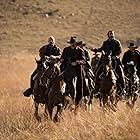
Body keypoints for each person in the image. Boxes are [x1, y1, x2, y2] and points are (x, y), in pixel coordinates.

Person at [92, 30, 126, 95]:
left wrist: (116, 56)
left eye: (112, 34)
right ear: (108, 35)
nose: (111, 35)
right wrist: (95, 50)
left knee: (121, 73)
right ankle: (97, 89)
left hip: (114, 61)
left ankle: (122, 89)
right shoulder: (105, 43)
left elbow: (120, 51)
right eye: (110, 34)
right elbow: (101, 49)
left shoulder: (117, 42)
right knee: (97, 73)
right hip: (105, 61)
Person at [60, 37, 88, 106]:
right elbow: (62, 57)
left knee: (81, 81)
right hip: (66, 68)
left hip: (76, 69)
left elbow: (84, 60)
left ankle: (78, 97)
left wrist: (77, 62)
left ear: (76, 44)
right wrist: (62, 59)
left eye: (73, 43)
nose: (72, 45)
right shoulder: (66, 50)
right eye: (71, 43)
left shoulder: (80, 50)